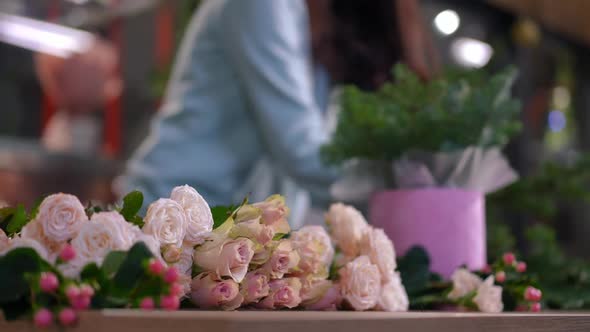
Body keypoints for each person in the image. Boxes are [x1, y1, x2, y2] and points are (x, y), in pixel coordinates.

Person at [122, 0, 433, 226]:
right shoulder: (262, 6)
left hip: (219, 231)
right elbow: (303, 154)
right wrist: (398, 188)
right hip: (166, 215)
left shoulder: (309, 33)